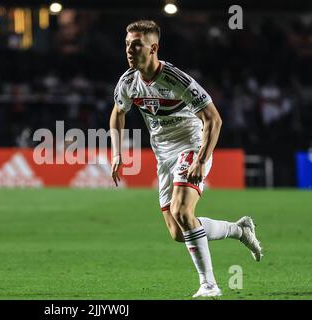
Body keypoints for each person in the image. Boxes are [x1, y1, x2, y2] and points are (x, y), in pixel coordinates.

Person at [109, 20, 262, 298]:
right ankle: (239, 230)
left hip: (192, 146)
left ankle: (209, 285)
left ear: (153, 47)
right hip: (163, 156)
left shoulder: (176, 79)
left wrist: (201, 160)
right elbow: (118, 113)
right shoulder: (128, 81)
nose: (129, 50)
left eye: (136, 44)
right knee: (178, 232)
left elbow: (213, 119)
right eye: (127, 44)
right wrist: (118, 153)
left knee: (182, 211)